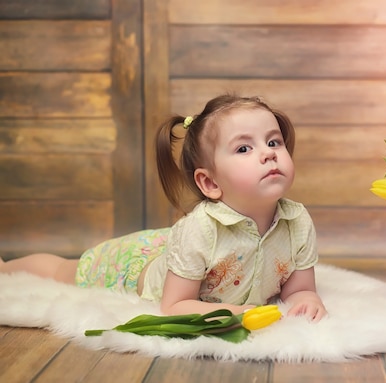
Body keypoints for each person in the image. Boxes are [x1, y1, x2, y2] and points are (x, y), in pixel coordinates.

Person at [0, 94, 327, 322]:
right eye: (244, 147)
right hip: (138, 268)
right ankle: (4, 268)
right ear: (210, 183)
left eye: (273, 142)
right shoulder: (200, 230)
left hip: (177, 249)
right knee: (67, 271)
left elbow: (299, 290)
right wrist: (240, 314)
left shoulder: (296, 221)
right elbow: (175, 305)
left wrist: (305, 301)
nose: (268, 153)